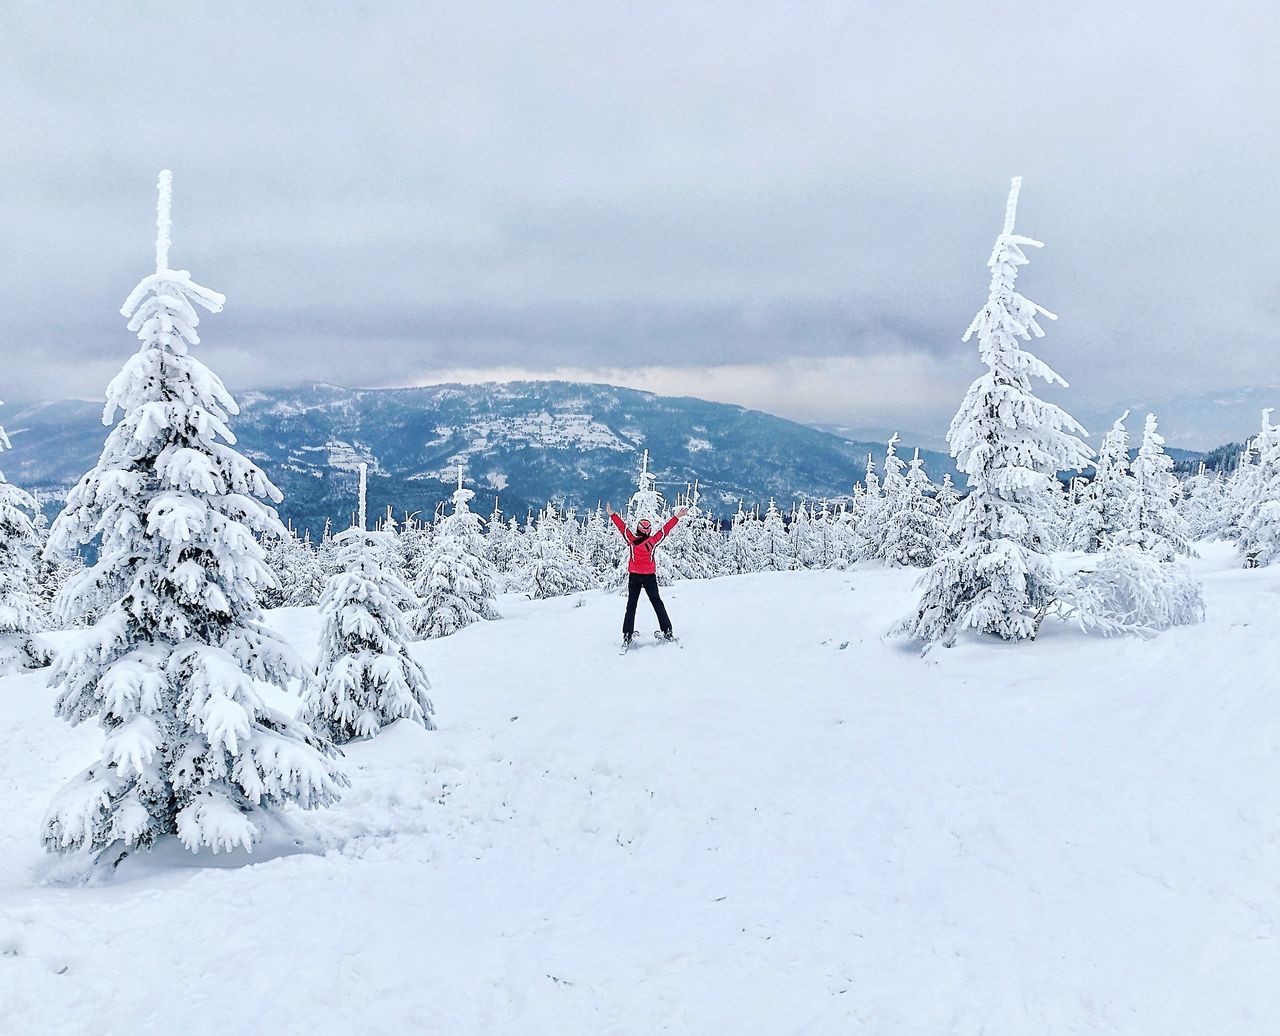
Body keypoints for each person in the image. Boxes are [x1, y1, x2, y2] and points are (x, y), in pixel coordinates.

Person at [606, 502, 689, 644]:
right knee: (657, 602)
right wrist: (677, 516)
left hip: (634, 576)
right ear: (649, 530)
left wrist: (612, 515)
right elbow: (665, 530)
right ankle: (667, 631)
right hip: (649, 576)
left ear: (638, 529)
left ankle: (627, 634)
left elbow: (622, 528)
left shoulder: (631, 540)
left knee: (631, 605)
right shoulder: (653, 541)